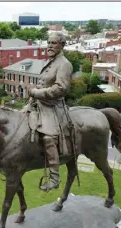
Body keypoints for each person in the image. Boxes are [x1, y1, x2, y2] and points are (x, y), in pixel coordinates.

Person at [26, 32, 73, 192]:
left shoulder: (64, 64)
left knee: (48, 138)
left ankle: (54, 178)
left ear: (62, 45)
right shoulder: (51, 61)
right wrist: (34, 93)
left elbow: (61, 89)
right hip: (38, 103)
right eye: (49, 43)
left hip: (52, 107)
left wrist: (35, 92)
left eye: (54, 43)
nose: (50, 46)